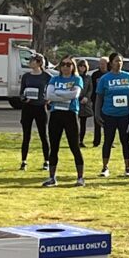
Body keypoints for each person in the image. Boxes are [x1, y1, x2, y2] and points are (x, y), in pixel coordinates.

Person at [43, 56, 85, 187]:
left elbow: (75, 95)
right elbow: (49, 95)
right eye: (63, 64)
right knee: (54, 147)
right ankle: (52, 178)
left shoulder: (77, 79)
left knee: (74, 146)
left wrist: (58, 94)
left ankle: (80, 178)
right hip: (56, 115)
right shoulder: (54, 79)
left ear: (73, 67)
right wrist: (65, 93)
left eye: (69, 64)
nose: (66, 67)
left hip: (71, 114)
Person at [96, 52, 129, 178]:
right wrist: (97, 113)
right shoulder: (105, 79)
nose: (119, 63)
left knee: (125, 141)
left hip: (125, 115)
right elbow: (99, 97)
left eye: (120, 61)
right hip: (109, 114)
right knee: (108, 140)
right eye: (116, 61)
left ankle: (128, 168)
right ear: (111, 63)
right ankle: (105, 167)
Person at [18, 54, 50, 171]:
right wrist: (24, 99)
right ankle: (23, 161)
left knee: (43, 135)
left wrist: (48, 99)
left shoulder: (46, 76)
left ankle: (46, 161)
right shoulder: (26, 76)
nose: (29, 62)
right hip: (28, 108)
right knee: (26, 135)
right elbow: (21, 93)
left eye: (31, 60)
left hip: (40, 107)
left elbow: (52, 90)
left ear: (38, 62)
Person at [90, 56, 109, 147]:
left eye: (103, 63)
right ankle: (96, 141)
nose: (102, 65)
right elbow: (92, 88)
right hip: (97, 101)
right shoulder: (95, 75)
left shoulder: (110, 74)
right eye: (100, 63)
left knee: (108, 122)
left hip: (108, 101)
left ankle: (108, 140)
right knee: (97, 121)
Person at [76, 59, 94, 146]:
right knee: (75, 123)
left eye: (84, 66)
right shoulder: (75, 76)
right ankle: (75, 139)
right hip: (76, 101)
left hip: (85, 103)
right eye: (80, 66)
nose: (82, 68)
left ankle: (81, 141)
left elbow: (90, 89)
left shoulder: (88, 77)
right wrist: (79, 97)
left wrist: (86, 97)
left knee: (83, 123)